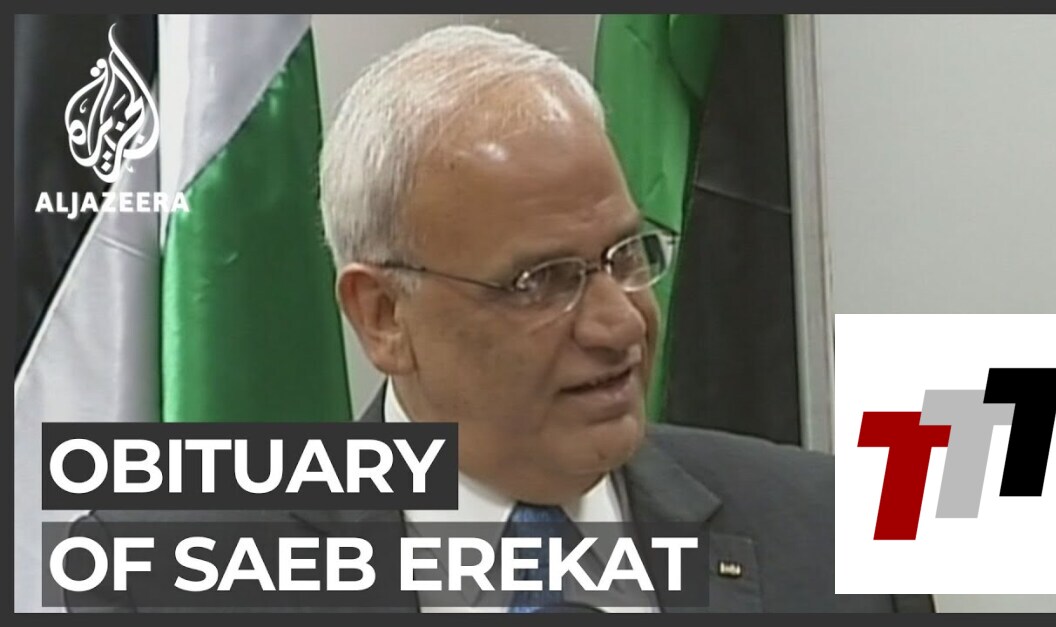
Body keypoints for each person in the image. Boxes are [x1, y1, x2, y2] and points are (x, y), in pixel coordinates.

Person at [67, 25, 933, 613]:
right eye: (541, 281)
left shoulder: (836, 538)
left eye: (627, 256)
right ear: (382, 315)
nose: (619, 325)